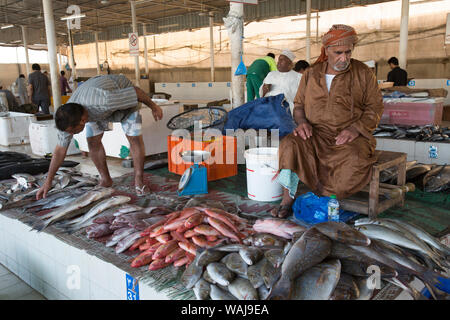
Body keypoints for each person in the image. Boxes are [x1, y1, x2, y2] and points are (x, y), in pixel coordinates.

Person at [270, 24, 384, 218]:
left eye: (348, 52)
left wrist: (355, 129)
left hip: (348, 138)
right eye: (339, 52)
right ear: (327, 50)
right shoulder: (311, 74)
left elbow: (375, 108)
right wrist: (302, 123)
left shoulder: (363, 73)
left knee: (355, 158)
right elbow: (298, 106)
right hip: (315, 134)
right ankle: (287, 199)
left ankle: (328, 198)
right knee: (289, 145)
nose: (344, 58)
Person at [35, 74, 163, 200]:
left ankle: (139, 180)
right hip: (94, 106)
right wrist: (48, 181)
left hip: (123, 97)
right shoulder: (67, 117)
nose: (70, 135)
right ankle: (106, 179)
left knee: (134, 139)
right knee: (92, 142)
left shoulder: (103, 101)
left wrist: (153, 106)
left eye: (72, 131)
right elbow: (60, 150)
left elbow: (135, 92)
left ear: (82, 121)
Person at [261, 50, 302, 114]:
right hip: (268, 105)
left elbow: (301, 97)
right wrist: (264, 89)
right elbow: (262, 94)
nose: (278, 62)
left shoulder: (298, 77)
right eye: (279, 60)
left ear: (290, 63)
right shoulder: (271, 74)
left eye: (282, 60)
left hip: (287, 108)